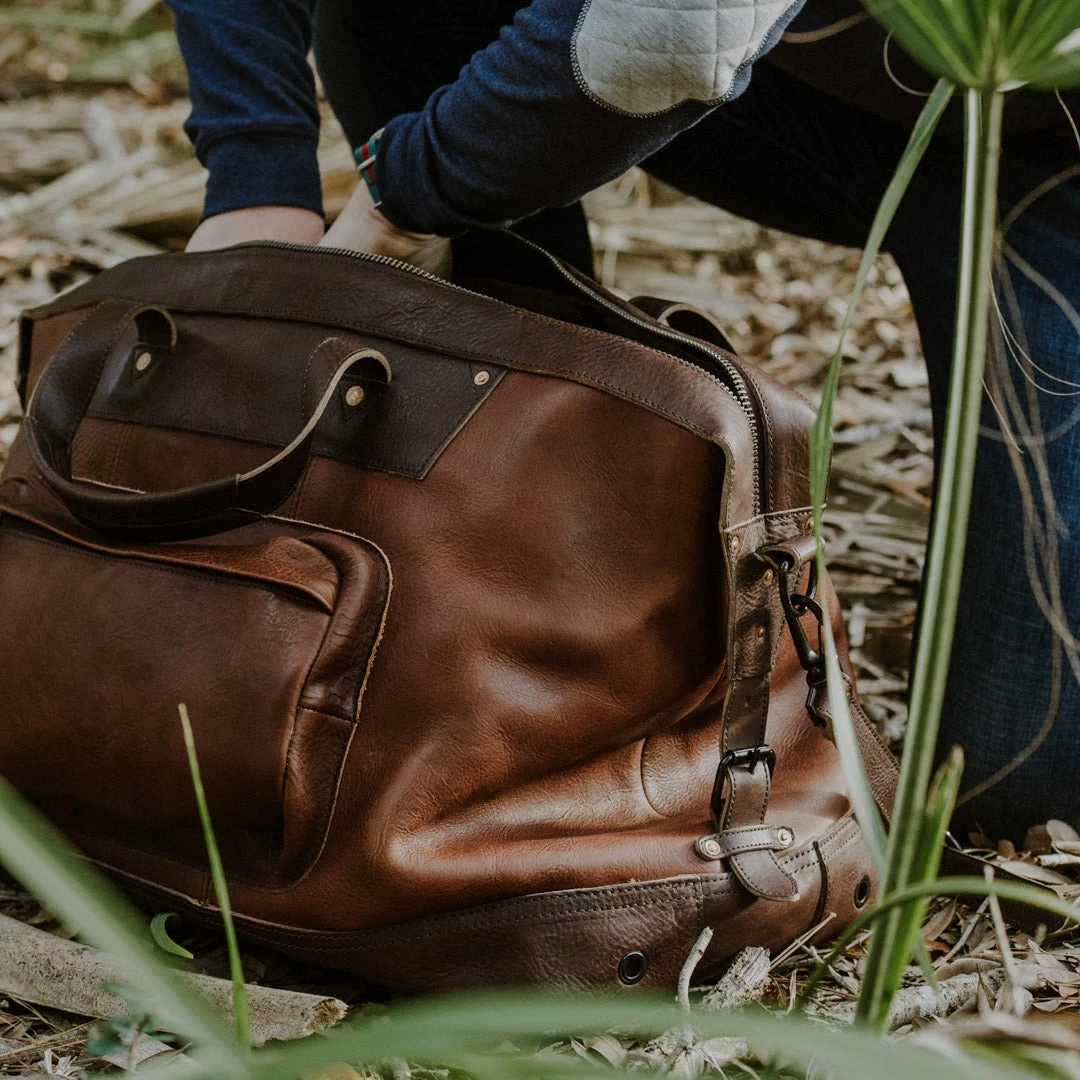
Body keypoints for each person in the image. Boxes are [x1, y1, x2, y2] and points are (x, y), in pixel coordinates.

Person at [165, 0, 1080, 842]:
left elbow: (681, 24)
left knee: (1018, 809)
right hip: (831, 82)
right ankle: (506, 608)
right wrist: (256, 172)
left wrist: (399, 198)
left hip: (1055, 143)